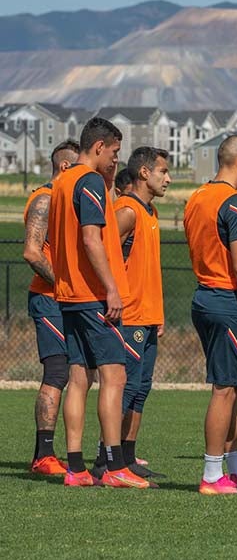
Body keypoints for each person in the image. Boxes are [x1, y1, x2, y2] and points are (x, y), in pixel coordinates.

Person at [48, 118, 150, 488]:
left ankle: (75, 468)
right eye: (114, 153)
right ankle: (114, 466)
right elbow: (91, 239)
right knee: (114, 376)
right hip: (92, 295)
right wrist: (111, 288)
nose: (115, 161)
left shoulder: (60, 183)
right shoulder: (88, 180)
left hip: (69, 295)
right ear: (99, 147)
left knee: (78, 378)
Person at [184, 135, 237, 495]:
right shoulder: (234, 204)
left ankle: (233, 470)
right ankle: (212, 475)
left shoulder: (197, 197)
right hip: (226, 300)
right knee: (224, 389)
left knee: (232, 388)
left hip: (203, 296)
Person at [96, 147, 170, 480]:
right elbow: (104, 253)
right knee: (125, 386)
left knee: (141, 388)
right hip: (129, 316)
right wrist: (114, 297)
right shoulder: (126, 210)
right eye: (163, 171)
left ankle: (127, 455)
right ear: (144, 173)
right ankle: (105, 457)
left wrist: (159, 313)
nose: (167, 178)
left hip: (148, 316)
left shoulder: (149, 211)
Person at [23, 139, 79, 475]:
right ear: (64, 167)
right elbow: (32, 252)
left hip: (66, 299)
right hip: (49, 298)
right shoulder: (45, 198)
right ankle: (43, 455)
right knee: (57, 372)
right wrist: (62, 284)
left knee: (75, 373)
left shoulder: (65, 200)